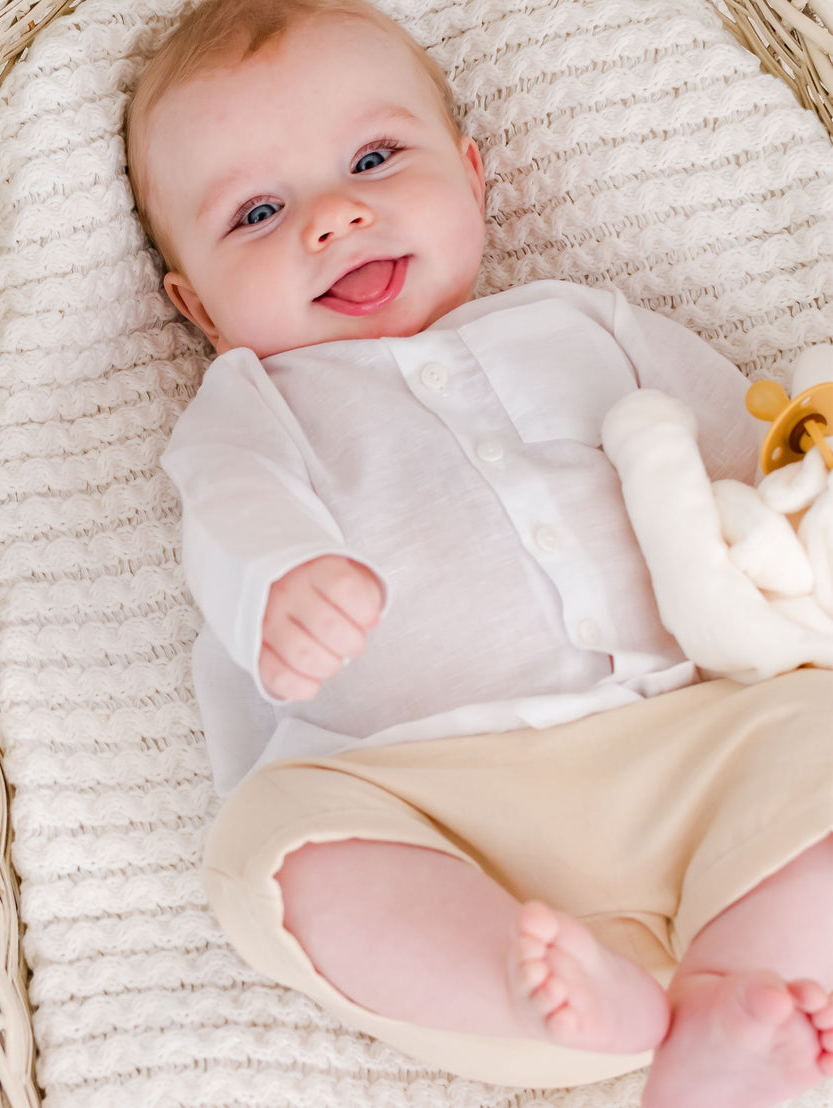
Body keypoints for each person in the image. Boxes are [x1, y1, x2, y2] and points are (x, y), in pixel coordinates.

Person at [124, 1, 833, 1103]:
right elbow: (230, 505)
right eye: (259, 212)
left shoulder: (583, 322)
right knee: (266, 849)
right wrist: (280, 581)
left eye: (372, 158)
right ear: (197, 305)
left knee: (817, 735)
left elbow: (753, 464)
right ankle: (527, 986)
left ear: (469, 173)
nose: (335, 216)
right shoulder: (253, 403)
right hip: (439, 806)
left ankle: (733, 1006)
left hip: (702, 744)